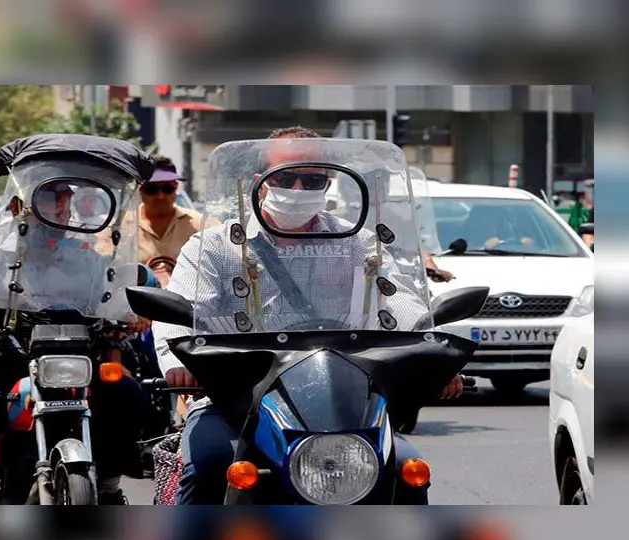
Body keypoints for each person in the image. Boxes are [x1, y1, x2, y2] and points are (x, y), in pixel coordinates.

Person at [153, 126, 465, 504]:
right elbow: (179, 309)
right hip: (237, 399)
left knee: (407, 470)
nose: (299, 189)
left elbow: (401, 301)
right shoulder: (216, 246)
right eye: (287, 177)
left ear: (329, 183)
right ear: (260, 182)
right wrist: (177, 362)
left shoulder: (359, 243)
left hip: (343, 402)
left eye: (313, 179)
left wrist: (433, 353)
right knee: (208, 463)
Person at [0, 144, 152, 505]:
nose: (60, 206)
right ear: (19, 203)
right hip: (5, 354)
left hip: (78, 358)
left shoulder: (87, 255)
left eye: (65, 198)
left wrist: (136, 310)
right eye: (50, 196)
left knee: (127, 394)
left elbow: (125, 289)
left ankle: (108, 481)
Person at [137, 154, 204, 287]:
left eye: (167, 188)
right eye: (151, 189)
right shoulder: (120, 227)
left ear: (176, 186)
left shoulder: (201, 224)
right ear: (140, 189)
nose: (160, 196)